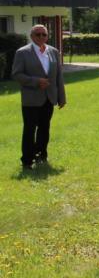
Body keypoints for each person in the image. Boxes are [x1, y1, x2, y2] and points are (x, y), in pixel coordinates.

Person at [11, 25, 66, 170]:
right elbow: (17, 74)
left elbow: (58, 76)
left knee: (44, 128)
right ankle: (27, 160)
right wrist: (36, 81)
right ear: (32, 36)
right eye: (38, 34)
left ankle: (41, 155)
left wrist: (62, 97)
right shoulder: (22, 53)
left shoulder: (53, 52)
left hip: (49, 97)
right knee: (29, 129)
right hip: (31, 98)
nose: (41, 37)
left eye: (44, 34)